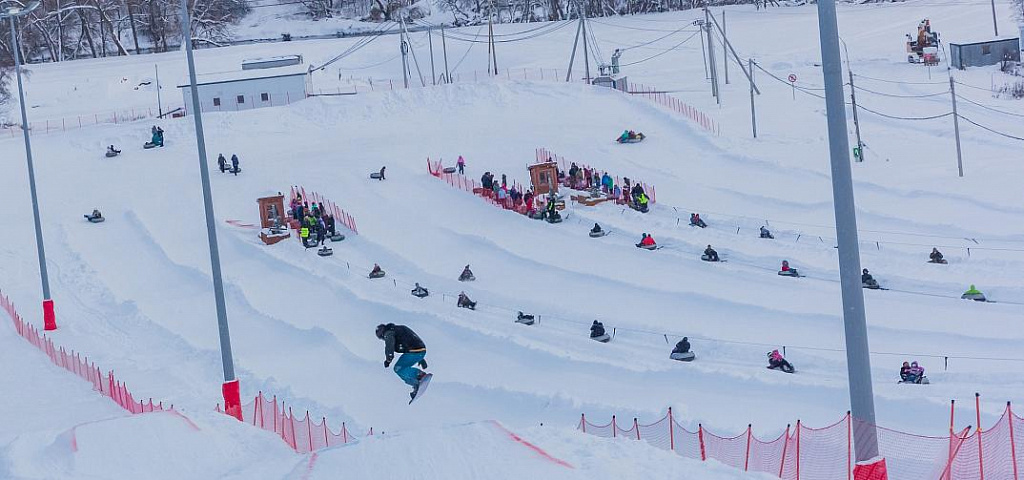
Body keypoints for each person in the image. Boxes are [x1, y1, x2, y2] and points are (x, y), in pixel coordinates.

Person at [375, 323, 428, 400]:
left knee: (398, 369)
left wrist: (388, 359)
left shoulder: (388, 333)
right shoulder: (398, 329)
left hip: (414, 352)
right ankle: (417, 383)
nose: (383, 339)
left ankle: (419, 376)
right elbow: (409, 341)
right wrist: (420, 358)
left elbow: (390, 345)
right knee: (403, 368)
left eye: (381, 337)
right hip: (420, 351)